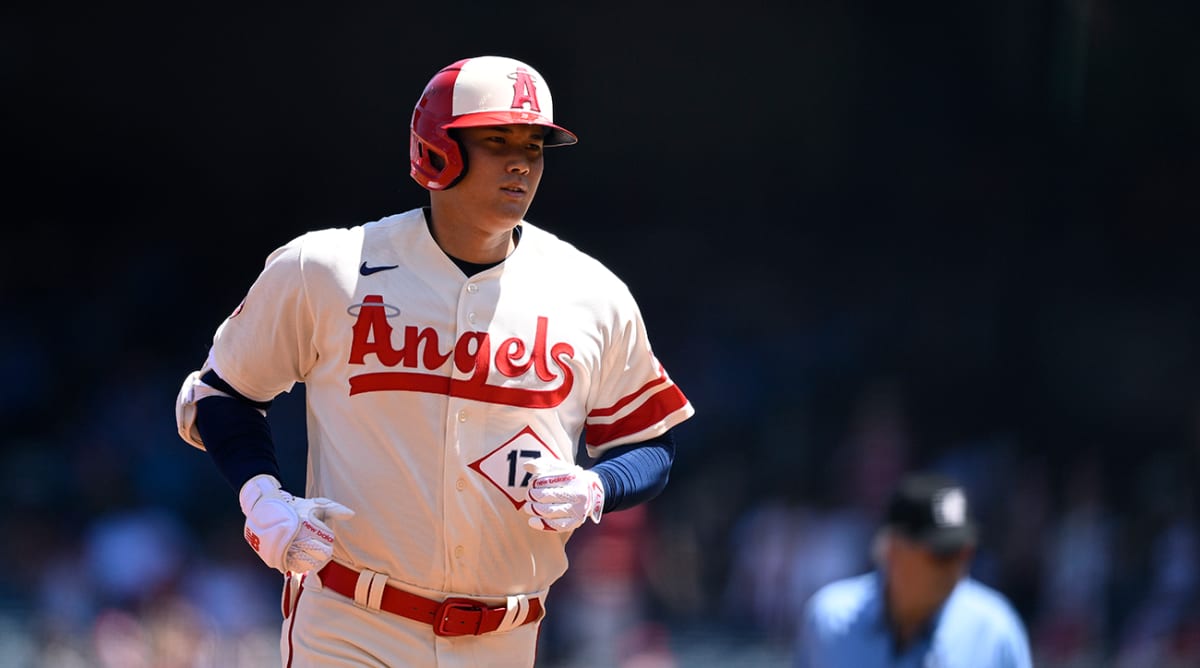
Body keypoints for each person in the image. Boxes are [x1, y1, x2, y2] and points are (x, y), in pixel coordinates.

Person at [173, 55, 694, 666]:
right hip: (351, 624)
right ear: (437, 150)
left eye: (534, 145)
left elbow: (650, 444)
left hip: (505, 634)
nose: (522, 163)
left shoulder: (591, 293)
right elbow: (224, 393)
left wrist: (596, 486)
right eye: (497, 141)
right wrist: (261, 496)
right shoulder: (328, 269)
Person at [794, 472, 1033, 668]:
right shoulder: (829, 621)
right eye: (942, 553)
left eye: (963, 551)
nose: (955, 566)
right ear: (892, 551)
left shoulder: (994, 632)